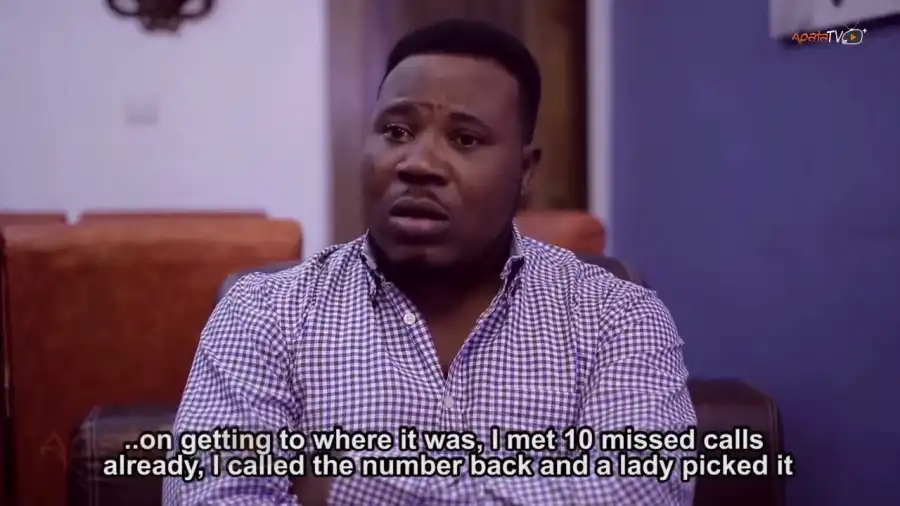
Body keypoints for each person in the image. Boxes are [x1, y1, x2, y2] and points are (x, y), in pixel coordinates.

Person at [163, 18, 696, 506]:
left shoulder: (617, 316)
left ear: (525, 171)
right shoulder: (263, 311)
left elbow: (641, 492)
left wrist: (347, 488)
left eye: (465, 138)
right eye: (396, 132)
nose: (418, 163)